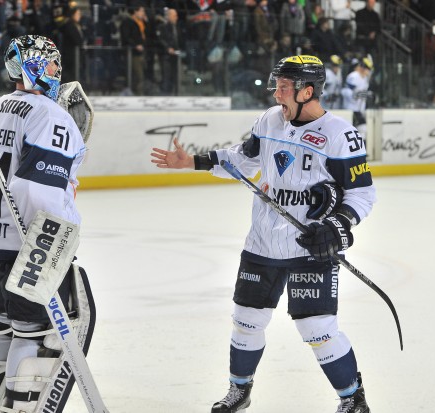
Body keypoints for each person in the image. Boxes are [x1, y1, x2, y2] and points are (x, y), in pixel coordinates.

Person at [150, 55, 376, 413]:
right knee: (246, 321)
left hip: (309, 249)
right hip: (262, 243)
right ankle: (239, 391)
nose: (276, 93)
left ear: (308, 91)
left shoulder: (341, 136)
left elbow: (362, 193)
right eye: (277, 85)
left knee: (317, 328)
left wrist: (336, 226)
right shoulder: (270, 120)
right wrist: (192, 162)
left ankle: (353, 399)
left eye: (284, 87)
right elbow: (244, 158)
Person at [0, 34, 95, 413]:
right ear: (35, 67)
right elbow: (35, 190)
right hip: (19, 246)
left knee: (7, 325)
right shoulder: (51, 114)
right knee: (36, 331)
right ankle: (18, 407)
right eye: (52, 63)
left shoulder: (1, 105)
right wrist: (61, 233)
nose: (58, 70)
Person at [341, 55, 373, 138]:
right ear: (362, 68)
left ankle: (360, 149)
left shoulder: (365, 79)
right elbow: (345, 91)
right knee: (362, 128)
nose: (368, 71)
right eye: (367, 69)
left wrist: (367, 94)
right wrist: (355, 95)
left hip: (359, 108)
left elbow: (363, 93)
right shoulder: (354, 76)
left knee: (360, 131)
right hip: (351, 108)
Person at [120, 4, 147, 95]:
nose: (143, 13)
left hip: (138, 53)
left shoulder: (139, 23)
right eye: (142, 11)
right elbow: (126, 37)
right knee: (138, 75)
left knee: (138, 75)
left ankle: (135, 92)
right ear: (135, 11)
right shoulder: (127, 22)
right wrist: (135, 45)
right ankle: (136, 94)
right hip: (131, 53)